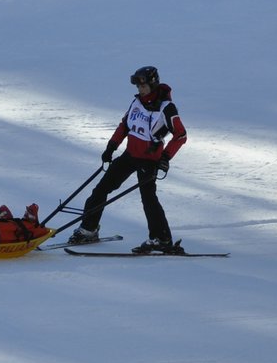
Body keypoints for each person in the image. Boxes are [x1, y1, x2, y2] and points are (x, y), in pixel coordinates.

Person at [69, 65, 188, 253]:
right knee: (100, 189)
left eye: (144, 86)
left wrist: (165, 157)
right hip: (130, 155)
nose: (140, 90)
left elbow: (180, 135)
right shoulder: (137, 103)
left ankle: (162, 239)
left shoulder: (167, 108)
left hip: (149, 161)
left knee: (148, 199)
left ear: (153, 84)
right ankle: (88, 230)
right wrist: (111, 147)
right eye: (138, 87)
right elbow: (124, 125)